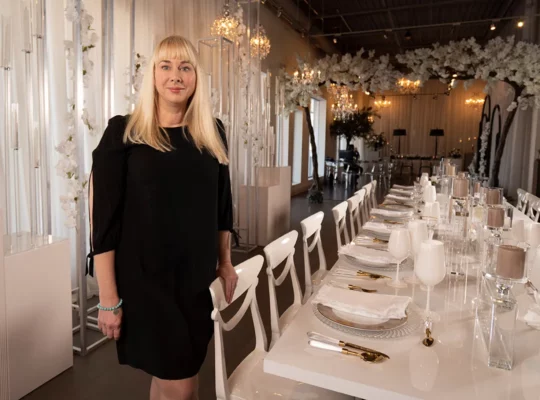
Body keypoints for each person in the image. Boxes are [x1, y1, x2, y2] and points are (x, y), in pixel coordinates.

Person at [88, 35, 238, 400]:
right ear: (153, 75)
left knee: (180, 377)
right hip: (145, 283)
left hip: (194, 283)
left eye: (185, 67)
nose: (176, 76)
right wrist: (108, 299)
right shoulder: (124, 132)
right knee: (180, 383)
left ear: (196, 77)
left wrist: (226, 262)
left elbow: (222, 206)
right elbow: (103, 222)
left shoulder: (211, 132)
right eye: (166, 66)